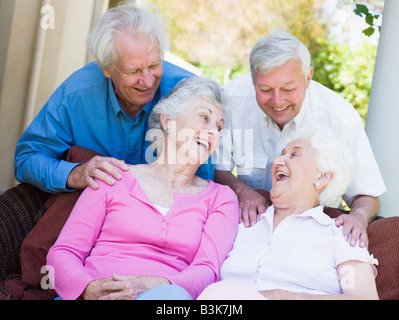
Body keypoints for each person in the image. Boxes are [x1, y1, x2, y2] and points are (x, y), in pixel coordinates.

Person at [46, 77, 239, 300]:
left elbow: (208, 270)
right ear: (168, 121)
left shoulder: (221, 198)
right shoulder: (114, 176)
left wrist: (160, 285)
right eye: (204, 117)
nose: (212, 131)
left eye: (219, 127)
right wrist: (89, 288)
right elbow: (63, 253)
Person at [14, 2, 213, 194]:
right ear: (107, 69)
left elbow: (204, 181)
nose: (147, 81)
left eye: (154, 65)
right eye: (133, 71)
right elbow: (27, 158)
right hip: (89, 206)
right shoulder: (76, 95)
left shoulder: (190, 95)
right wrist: (75, 174)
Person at [214, 31, 386, 247]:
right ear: (253, 80)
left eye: (288, 89)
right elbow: (215, 167)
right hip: (251, 225)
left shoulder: (340, 118)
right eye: (265, 89)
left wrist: (358, 217)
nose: (277, 101)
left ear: (308, 78)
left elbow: (366, 195)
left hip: (312, 234)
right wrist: (241, 191)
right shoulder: (231, 99)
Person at [199, 128, 379, 300]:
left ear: (322, 177)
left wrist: (285, 296)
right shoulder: (241, 221)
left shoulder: (343, 234)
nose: (277, 161)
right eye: (281, 154)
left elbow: (364, 298)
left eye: (294, 154)